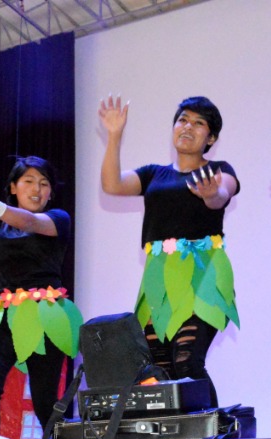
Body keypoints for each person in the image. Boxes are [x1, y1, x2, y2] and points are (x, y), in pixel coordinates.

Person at [99, 94, 240, 406]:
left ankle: (214, 430)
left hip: (204, 275)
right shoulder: (153, 174)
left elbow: (221, 195)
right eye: (182, 120)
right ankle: (177, 432)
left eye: (198, 123)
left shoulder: (218, 170)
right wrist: (114, 135)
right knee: (160, 366)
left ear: (211, 138)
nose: (187, 127)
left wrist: (211, 193)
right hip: (160, 279)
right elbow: (112, 185)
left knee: (187, 360)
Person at [0, 156, 79, 435]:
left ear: (51, 192)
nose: (37, 189)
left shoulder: (57, 219)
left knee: (45, 402)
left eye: (44, 183)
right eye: (28, 181)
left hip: (43, 316)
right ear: (13, 187)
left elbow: (29, 222)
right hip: (0, 316)